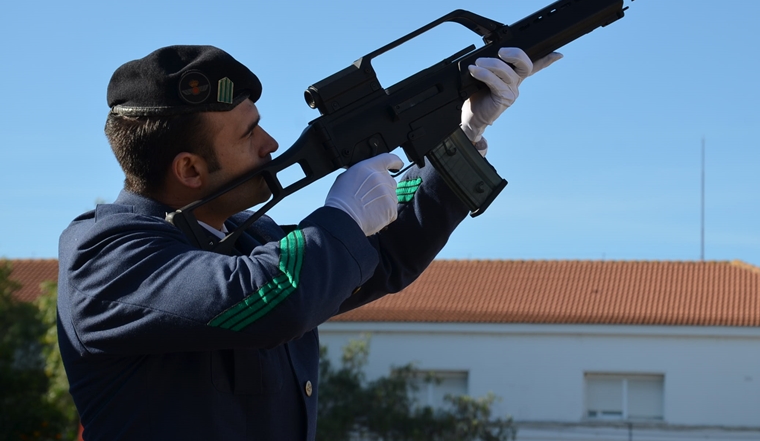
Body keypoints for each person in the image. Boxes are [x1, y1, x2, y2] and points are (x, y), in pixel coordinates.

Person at [56, 44, 560, 440]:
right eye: (248, 134)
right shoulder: (105, 256)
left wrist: (459, 135)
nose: (270, 144)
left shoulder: (251, 240)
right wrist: (340, 215)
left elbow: (379, 255)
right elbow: (274, 295)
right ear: (189, 169)